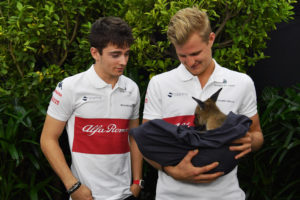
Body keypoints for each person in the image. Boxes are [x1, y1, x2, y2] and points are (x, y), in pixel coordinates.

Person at [142, 7, 264, 200]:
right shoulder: (159, 83)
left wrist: (251, 141)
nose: (190, 62)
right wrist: (171, 170)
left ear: (211, 39)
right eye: (182, 56)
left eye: (196, 53)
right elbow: (146, 142)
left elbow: (257, 134)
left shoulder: (242, 83)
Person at [40, 17, 143, 200]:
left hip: (126, 195)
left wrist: (137, 183)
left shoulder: (132, 89)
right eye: (115, 54)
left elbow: (134, 137)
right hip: (86, 196)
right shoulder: (70, 87)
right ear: (95, 53)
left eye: (126, 54)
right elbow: (48, 139)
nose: (123, 61)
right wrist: (73, 186)